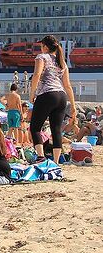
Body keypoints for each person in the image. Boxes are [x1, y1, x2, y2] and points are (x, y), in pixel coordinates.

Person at [29, 35, 77, 164]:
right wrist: (73, 106)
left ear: (45, 46)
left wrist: (32, 93)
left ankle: (40, 157)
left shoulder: (41, 57)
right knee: (56, 130)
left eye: (41, 46)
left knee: (35, 128)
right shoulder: (62, 62)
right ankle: (56, 162)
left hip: (47, 94)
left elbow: (37, 75)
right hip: (61, 96)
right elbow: (67, 85)